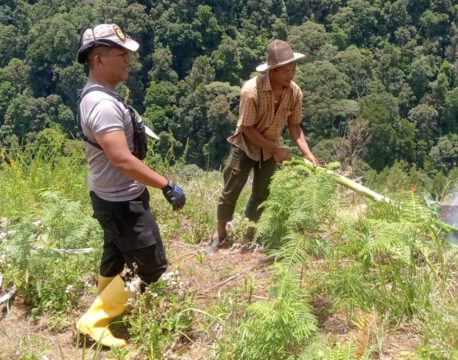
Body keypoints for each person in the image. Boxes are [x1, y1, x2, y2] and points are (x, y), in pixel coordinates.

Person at [73, 23, 186, 348]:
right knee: (151, 265)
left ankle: (108, 309)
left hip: (108, 195)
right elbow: (122, 159)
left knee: (114, 255)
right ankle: (94, 320)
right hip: (122, 201)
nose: (128, 60)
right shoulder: (103, 105)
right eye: (121, 54)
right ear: (98, 59)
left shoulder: (101, 96)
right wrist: (166, 185)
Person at [207, 39, 318, 254]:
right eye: (286, 71)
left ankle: (251, 233)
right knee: (231, 190)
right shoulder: (251, 91)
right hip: (244, 146)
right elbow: (247, 129)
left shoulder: (295, 93)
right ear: (273, 71)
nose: (291, 74)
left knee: (262, 193)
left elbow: (295, 127)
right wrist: (277, 151)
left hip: (269, 150)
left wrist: (308, 154)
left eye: (293, 69)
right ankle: (219, 234)